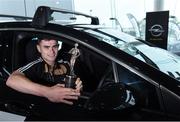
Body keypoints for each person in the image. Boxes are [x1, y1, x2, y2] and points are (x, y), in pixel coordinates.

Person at [6, 37, 83, 105]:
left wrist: (78, 87)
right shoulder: (36, 65)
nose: (52, 51)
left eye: (54, 47)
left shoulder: (66, 62)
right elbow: (11, 80)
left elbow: (76, 86)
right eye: (46, 47)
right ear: (39, 48)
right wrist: (48, 92)